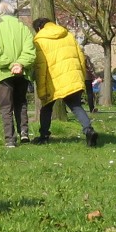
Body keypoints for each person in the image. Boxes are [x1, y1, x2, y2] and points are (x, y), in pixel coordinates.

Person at [32, 17, 100, 146]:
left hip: (52, 79)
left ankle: (44, 136)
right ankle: (89, 130)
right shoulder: (68, 35)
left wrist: (41, 89)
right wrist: (80, 74)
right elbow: (81, 57)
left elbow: (40, 67)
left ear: (39, 28)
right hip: (72, 75)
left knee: (46, 108)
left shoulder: (39, 40)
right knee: (75, 105)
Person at [0, 0, 36, 147]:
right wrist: (20, 64)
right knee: (21, 103)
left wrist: (9, 64)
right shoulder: (24, 26)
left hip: (4, 73)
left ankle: (10, 139)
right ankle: (24, 133)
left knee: (6, 106)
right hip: (22, 72)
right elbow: (30, 50)